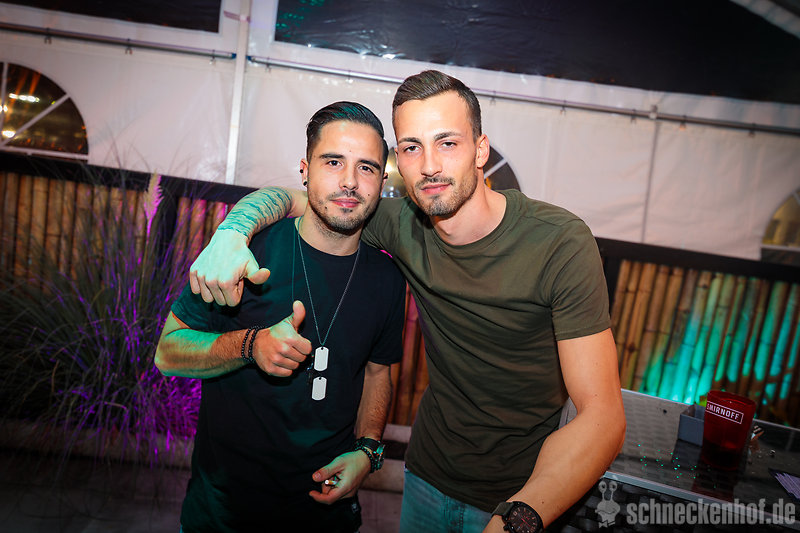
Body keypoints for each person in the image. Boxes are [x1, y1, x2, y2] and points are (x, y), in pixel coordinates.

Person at [188, 70, 626, 533]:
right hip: (426, 477)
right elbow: (303, 198)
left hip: (526, 489)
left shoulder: (559, 242)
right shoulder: (397, 222)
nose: (430, 165)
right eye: (412, 147)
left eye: (447, 143)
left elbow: (602, 416)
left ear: (481, 150)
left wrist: (517, 519)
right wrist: (232, 231)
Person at [154, 101, 406, 533]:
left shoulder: (387, 278)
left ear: (382, 181)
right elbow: (168, 353)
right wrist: (249, 346)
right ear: (305, 171)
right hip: (223, 515)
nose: (349, 181)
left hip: (326, 516)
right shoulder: (247, 252)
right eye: (333, 162)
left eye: (365, 168)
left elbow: (378, 373)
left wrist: (368, 452)